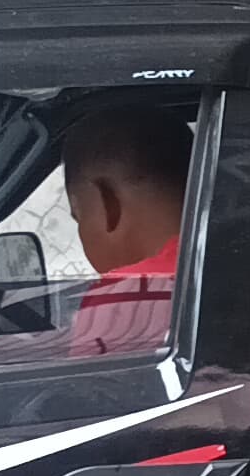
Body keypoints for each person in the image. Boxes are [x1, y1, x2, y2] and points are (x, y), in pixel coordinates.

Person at [50, 96, 193, 357]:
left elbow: (86, 392)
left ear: (108, 205)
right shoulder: (247, 267)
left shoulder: (128, 293)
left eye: (78, 216)